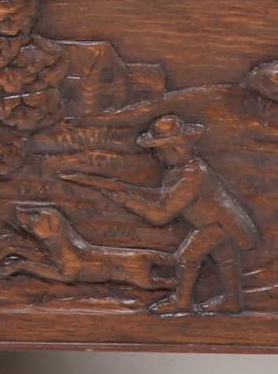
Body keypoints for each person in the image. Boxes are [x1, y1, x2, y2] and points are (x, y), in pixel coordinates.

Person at [68, 113, 260, 314]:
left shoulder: (192, 175)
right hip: (223, 223)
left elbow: (160, 215)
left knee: (187, 257)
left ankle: (182, 302)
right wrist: (119, 188)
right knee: (225, 259)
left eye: (160, 150)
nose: (159, 156)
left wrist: (125, 199)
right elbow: (163, 197)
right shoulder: (183, 169)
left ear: (175, 149)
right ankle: (232, 301)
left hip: (218, 225)